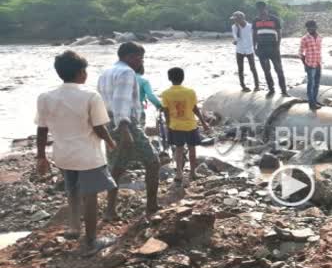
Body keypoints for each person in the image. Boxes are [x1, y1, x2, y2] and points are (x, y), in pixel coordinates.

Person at [36, 51, 117, 254]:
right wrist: (110, 141)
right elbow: (99, 126)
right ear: (81, 72)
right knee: (91, 196)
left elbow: (42, 129)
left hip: (63, 155)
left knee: (72, 191)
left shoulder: (45, 97)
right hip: (88, 156)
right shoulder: (90, 95)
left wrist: (41, 156)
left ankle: (74, 227)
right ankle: (91, 241)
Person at [98, 42, 160, 218]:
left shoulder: (106, 72)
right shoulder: (127, 72)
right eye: (139, 57)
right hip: (125, 122)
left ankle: (110, 210)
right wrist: (125, 128)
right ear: (129, 56)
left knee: (116, 167)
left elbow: (102, 100)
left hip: (108, 121)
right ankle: (152, 206)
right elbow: (121, 101)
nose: (141, 61)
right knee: (152, 162)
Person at [160, 67, 210, 185]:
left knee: (178, 150)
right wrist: (203, 123)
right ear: (183, 78)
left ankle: (179, 174)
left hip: (176, 126)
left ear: (169, 78)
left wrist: (168, 125)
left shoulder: (166, 93)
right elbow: (194, 108)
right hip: (190, 125)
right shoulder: (190, 92)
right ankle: (193, 173)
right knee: (192, 150)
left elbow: (166, 111)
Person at [252, 1, 287, 96]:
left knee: (279, 69)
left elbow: (279, 34)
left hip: (273, 48)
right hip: (261, 49)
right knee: (266, 70)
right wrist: (254, 47)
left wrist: (277, 46)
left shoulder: (275, 19)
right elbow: (254, 35)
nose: (261, 11)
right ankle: (271, 89)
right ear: (257, 10)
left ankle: (284, 91)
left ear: (266, 8)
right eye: (259, 9)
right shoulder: (255, 20)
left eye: (262, 8)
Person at [231, 11, 259, 92]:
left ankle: (257, 86)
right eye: (234, 20)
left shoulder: (250, 26)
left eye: (236, 19)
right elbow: (236, 38)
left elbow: (255, 37)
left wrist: (255, 46)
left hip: (249, 50)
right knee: (240, 69)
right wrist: (238, 29)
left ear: (242, 18)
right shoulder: (234, 27)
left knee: (253, 68)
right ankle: (243, 86)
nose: (235, 21)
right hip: (239, 50)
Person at [299, 20, 323, 110]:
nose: (310, 29)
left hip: (318, 63)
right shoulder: (305, 38)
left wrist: (319, 63)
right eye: (308, 28)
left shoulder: (320, 37)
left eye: (311, 27)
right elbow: (300, 53)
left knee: (316, 83)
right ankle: (311, 104)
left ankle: (314, 100)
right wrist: (305, 64)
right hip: (310, 64)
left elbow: (319, 51)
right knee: (311, 84)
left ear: (316, 27)